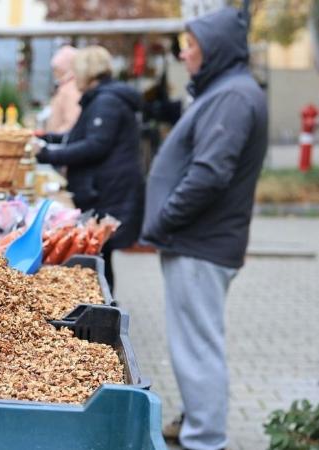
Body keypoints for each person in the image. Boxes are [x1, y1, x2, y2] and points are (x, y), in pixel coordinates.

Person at [140, 8, 267, 450]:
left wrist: (164, 218)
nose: (183, 53)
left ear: (214, 50)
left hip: (199, 242)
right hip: (197, 240)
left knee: (197, 347)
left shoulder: (232, 96)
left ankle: (206, 438)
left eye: (191, 45)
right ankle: (195, 419)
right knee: (192, 343)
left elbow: (210, 174)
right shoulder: (225, 90)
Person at [36, 46, 144, 290]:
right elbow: (80, 138)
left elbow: (95, 146)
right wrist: (49, 140)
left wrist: (46, 154)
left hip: (107, 192)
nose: (73, 78)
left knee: (100, 255)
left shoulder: (106, 101)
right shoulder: (102, 99)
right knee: (101, 256)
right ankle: (106, 306)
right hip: (107, 189)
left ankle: (106, 312)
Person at [45, 45, 82, 133]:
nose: (55, 73)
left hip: (61, 142)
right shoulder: (66, 86)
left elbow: (72, 121)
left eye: (56, 69)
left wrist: (54, 139)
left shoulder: (71, 89)